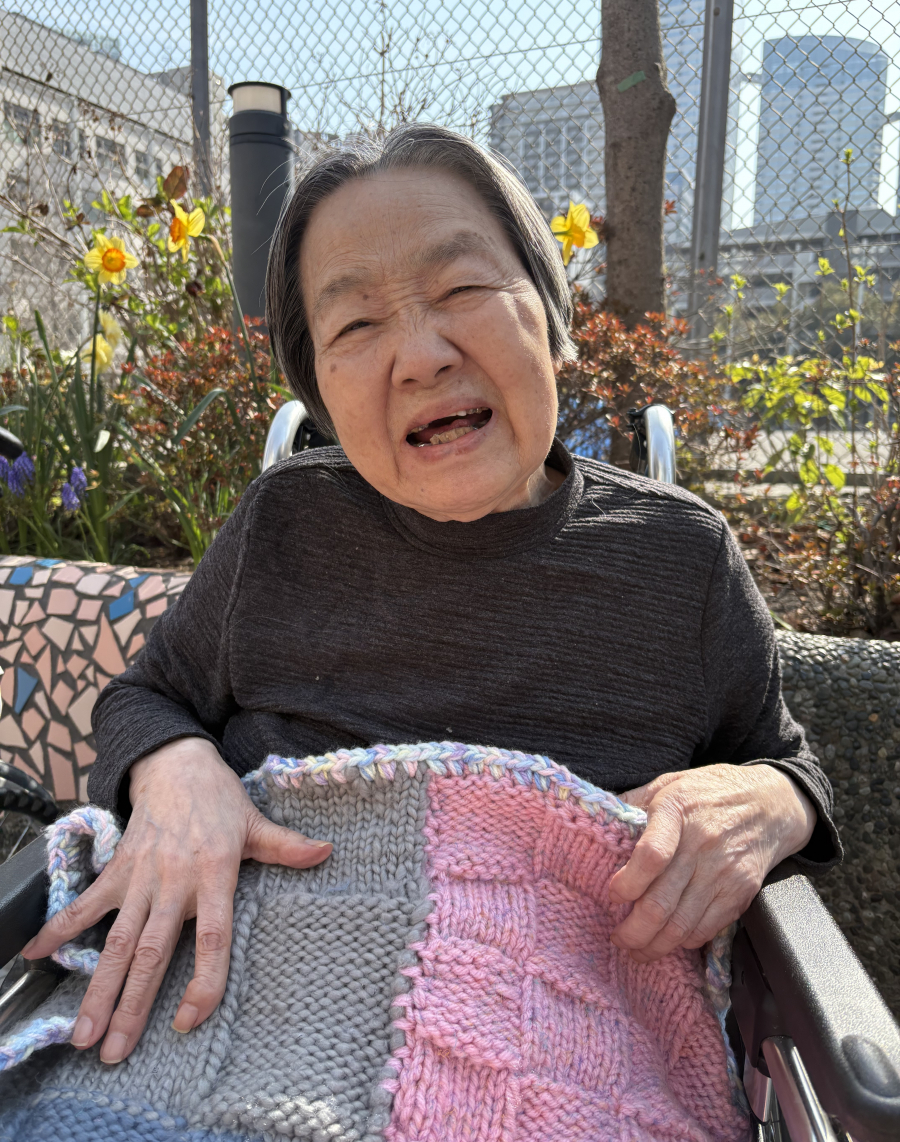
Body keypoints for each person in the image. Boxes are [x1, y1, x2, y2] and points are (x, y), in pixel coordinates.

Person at [23, 124, 838, 1069]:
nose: (419, 357)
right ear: (323, 393)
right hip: (230, 1019)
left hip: (557, 1054)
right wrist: (175, 772)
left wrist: (768, 801)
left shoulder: (678, 558)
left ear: (552, 318)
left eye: (460, 290)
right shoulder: (286, 522)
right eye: (355, 326)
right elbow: (146, 697)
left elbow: (788, 768)